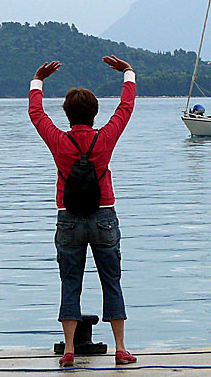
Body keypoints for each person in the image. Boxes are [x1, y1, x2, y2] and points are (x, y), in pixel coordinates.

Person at [28, 55, 137, 367]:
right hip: (104, 216)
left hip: (69, 218)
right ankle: (120, 348)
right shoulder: (105, 138)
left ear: (66, 113)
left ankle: (69, 351)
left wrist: (38, 80)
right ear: (94, 113)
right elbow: (125, 109)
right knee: (112, 282)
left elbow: (36, 114)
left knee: (70, 282)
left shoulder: (59, 141)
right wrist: (128, 74)